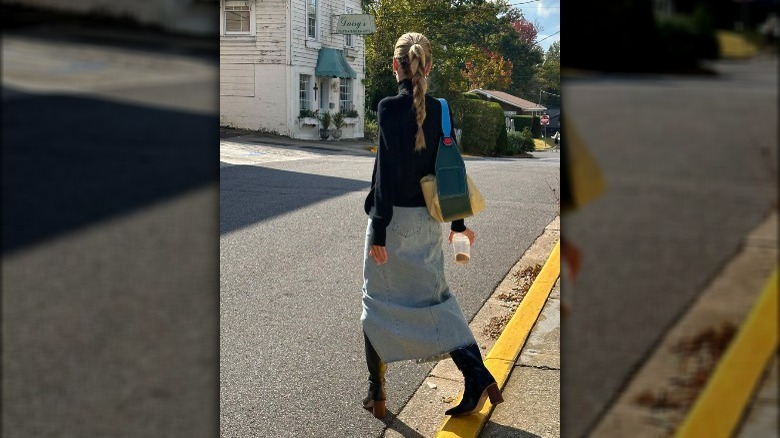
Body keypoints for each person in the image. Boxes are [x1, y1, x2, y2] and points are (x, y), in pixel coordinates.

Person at [361, 32, 503, 420]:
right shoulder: (441, 108)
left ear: (396, 66)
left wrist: (377, 230)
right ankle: (477, 376)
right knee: (436, 300)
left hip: (392, 224)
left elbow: (384, 178)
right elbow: (450, 171)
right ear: (428, 65)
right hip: (427, 223)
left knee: (376, 305)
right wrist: (457, 225)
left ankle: (378, 393)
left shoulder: (389, 108)